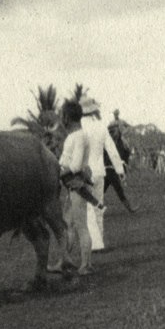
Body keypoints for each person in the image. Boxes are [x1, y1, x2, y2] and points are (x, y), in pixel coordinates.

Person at [58, 99, 128, 270]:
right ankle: (99, 242)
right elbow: (111, 150)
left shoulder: (78, 130)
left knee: (83, 216)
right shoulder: (101, 126)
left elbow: (74, 160)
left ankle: (87, 254)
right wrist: (120, 170)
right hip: (99, 171)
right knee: (97, 210)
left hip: (81, 173)